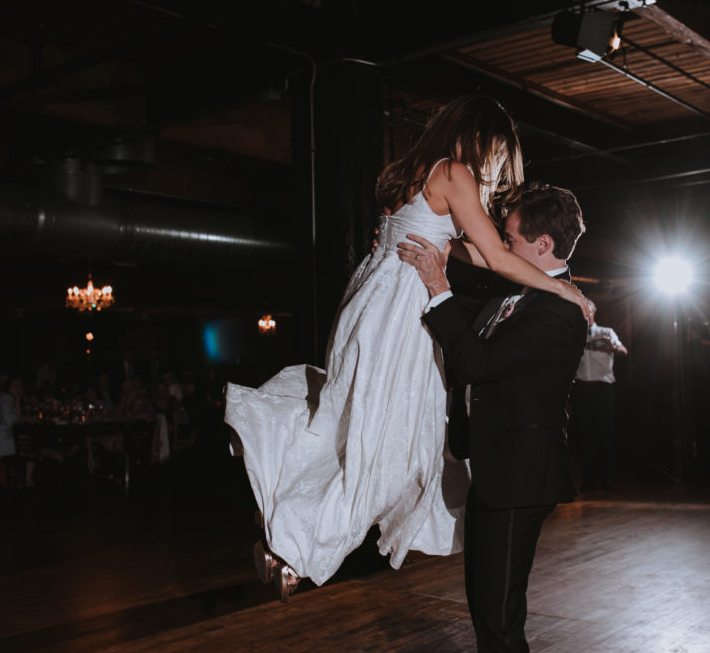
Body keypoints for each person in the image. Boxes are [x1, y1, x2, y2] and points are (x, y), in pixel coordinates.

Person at [224, 94, 590, 601]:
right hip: (402, 310)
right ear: (479, 139)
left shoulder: (412, 172)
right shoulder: (454, 172)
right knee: (389, 443)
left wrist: (455, 252)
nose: (493, 168)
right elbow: (499, 259)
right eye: (496, 155)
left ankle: (290, 537)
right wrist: (562, 287)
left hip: (372, 299)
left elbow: (460, 247)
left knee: (356, 425)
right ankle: (296, 547)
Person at [398, 182, 588, 652]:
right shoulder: (515, 292)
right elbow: (458, 323)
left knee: (499, 616)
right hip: (493, 470)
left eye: (509, 239)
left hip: (521, 476)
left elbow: (476, 363)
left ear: (543, 246)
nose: (499, 247)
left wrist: (439, 286)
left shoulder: (562, 311)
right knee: (485, 606)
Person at [572, 300, 627, 491]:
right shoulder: (574, 336)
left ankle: (607, 479)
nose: (584, 314)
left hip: (603, 389)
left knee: (604, 435)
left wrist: (610, 346)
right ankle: (588, 481)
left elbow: (623, 351)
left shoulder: (606, 332)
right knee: (584, 436)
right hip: (581, 389)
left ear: (593, 312)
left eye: (586, 310)